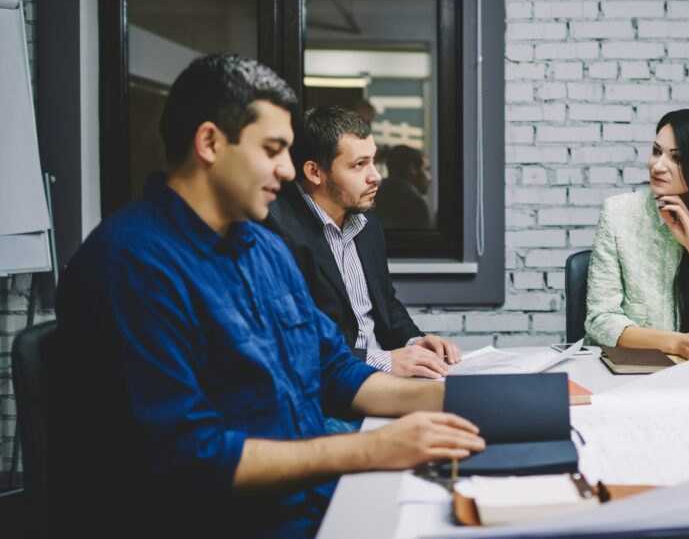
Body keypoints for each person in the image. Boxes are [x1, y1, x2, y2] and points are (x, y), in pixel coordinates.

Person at [53, 55, 483, 538]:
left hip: (312, 496)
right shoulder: (131, 265)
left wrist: (456, 399)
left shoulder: (261, 248)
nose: (287, 170)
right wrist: (374, 450)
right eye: (274, 150)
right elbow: (189, 456)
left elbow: (333, 368)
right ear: (210, 142)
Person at [263, 106, 460, 380]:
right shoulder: (274, 230)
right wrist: (385, 360)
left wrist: (413, 342)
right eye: (359, 164)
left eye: (374, 161)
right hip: (333, 387)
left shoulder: (366, 221)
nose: (376, 175)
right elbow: (293, 341)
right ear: (314, 172)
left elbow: (387, 304)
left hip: (385, 377)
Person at [585, 108, 689, 359]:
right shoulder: (618, 213)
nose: (658, 165)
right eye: (656, 151)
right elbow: (600, 320)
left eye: (677, 158)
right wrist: (676, 343)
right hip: (630, 370)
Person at [374, 144, 433, 230]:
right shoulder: (415, 204)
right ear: (413, 169)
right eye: (426, 169)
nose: (430, 178)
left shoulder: (372, 198)